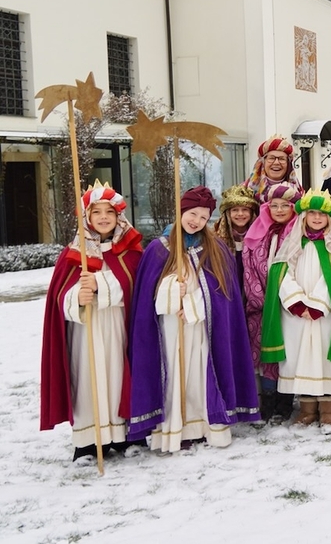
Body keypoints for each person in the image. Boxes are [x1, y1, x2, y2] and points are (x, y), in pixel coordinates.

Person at [128, 186, 259, 452]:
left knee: (200, 373)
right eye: (192, 214)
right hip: (170, 328)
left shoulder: (215, 248)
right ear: (181, 211)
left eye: (203, 217)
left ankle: (203, 425)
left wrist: (191, 303)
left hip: (202, 328)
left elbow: (223, 295)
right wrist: (170, 293)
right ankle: (177, 427)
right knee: (175, 373)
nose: (196, 221)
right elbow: (146, 296)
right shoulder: (158, 249)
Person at [41, 181, 144, 463]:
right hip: (84, 330)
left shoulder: (131, 253)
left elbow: (137, 289)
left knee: (118, 374)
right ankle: (88, 441)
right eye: (96, 212)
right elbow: (58, 297)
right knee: (86, 377)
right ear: (87, 217)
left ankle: (124, 436)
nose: (103, 217)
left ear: (118, 216)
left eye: (109, 212)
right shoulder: (73, 254)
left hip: (117, 327)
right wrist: (76, 296)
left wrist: (101, 285)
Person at [260, 189, 331, 433]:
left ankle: (329, 411)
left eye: (322, 214)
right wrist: (296, 302)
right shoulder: (293, 243)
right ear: (304, 216)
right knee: (301, 359)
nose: (317, 218)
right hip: (295, 316)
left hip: (327, 314)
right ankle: (307, 410)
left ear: (329, 217)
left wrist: (318, 304)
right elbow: (281, 274)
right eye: (312, 213)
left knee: (326, 358)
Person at [243, 183, 301, 423]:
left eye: (285, 206)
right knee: (265, 354)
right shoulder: (258, 231)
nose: (279, 210)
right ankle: (267, 401)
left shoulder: (299, 233)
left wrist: (289, 299)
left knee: (286, 353)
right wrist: (258, 297)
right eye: (274, 205)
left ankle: (285, 401)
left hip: (288, 306)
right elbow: (248, 264)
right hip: (261, 306)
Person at [214, 185, 258, 301]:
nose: (240, 214)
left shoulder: (260, 238)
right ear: (227, 213)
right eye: (235, 210)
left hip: (252, 293)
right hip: (228, 292)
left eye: (245, 209)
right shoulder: (216, 238)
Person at [243, 135, 303, 204]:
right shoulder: (244, 191)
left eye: (282, 159)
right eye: (271, 158)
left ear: (288, 164)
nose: (276, 162)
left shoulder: (298, 192)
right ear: (263, 162)